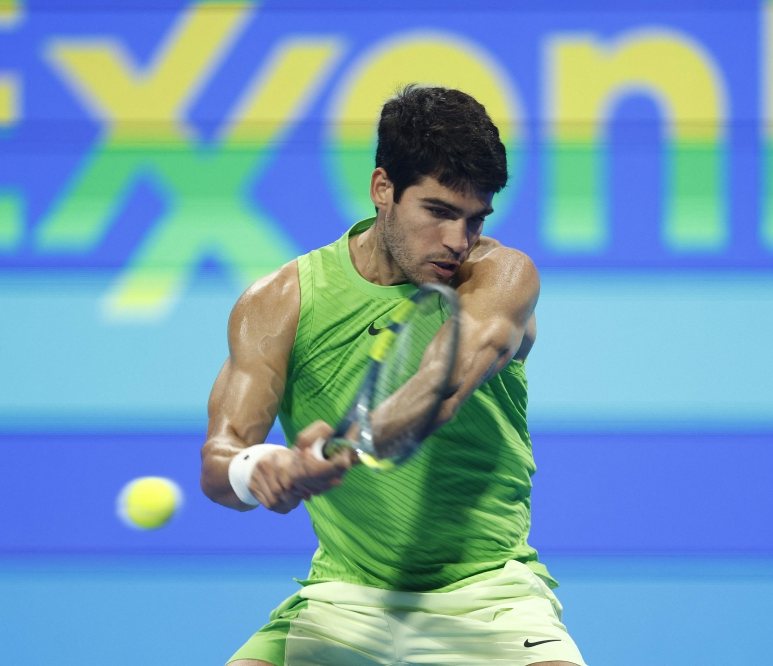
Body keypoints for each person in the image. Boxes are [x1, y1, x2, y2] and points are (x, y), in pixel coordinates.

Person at [200, 85, 586, 666]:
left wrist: (341, 450)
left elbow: (443, 384)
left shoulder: (501, 277)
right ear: (383, 188)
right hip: (343, 599)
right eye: (438, 212)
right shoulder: (279, 302)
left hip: (488, 599)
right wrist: (262, 469)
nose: (459, 241)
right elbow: (217, 463)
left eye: (474, 218)